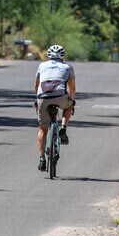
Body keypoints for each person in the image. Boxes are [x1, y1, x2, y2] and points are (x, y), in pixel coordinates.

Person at [34, 44, 76, 172]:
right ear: (63, 56)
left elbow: (36, 85)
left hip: (43, 98)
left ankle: (42, 159)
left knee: (42, 129)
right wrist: (72, 100)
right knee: (69, 105)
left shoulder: (42, 65)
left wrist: (37, 99)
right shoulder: (68, 67)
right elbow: (72, 88)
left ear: (48, 56)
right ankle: (63, 128)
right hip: (60, 97)